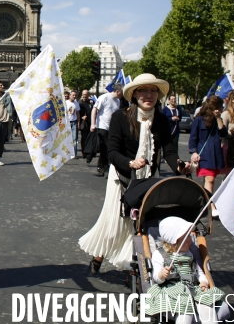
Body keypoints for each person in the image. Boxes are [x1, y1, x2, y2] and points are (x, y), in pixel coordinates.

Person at [79, 73, 191, 273]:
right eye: (143, 90)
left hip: (149, 179)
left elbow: (170, 151)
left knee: (143, 222)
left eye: (153, 91)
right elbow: (112, 152)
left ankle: (140, 264)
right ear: (134, 95)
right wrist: (131, 163)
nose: (148, 95)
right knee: (115, 224)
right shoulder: (120, 117)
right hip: (121, 177)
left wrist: (180, 166)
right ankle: (98, 256)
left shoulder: (162, 120)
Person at [144, 217, 227, 323]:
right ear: (174, 240)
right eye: (186, 237)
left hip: (193, 287)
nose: (191, 240)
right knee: (184, 311)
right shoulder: (159, 254)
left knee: (207, 307)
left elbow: (199, 272)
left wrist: (203, 282)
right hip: (173, 289)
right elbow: (156, 277)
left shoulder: (190, 252)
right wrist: (162, 275)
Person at [189, 96, 227, 215]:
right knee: (209, 179)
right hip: (204, 153)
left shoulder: (218, 119)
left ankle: (204, 200)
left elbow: (224, 133)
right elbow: (193, 137)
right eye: (219, 107)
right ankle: (211, 206)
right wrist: (193, 151)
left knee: (210, 180)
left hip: (216, 154)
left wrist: (218, 118)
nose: (220, 109)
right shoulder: (199, 120)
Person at [90, 83, 123, 177]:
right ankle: (106, 167)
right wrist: (93, 124)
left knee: (106, 148)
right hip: (102, 127)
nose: (123, 95)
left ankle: (102, 167)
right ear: (117, 91)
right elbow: (94, 110)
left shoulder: (118, 101)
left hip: (112, 128)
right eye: (122, 93)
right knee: (108, 147)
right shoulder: (104, 97)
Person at [78, 90, 93, 160]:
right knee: (84, 138)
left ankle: (88, 152)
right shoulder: (80, 103)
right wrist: (81, 117)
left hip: (90, 123)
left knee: (90, 138)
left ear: (88, 95)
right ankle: (84, 151)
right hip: (83, 123)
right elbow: (77, 113)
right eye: (83, 94)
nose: (85, 96)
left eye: (86, 94)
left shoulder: (91, 102)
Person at [66, 90, 81, 158]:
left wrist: (78, 123)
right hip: (67, 122)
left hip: (74, 122)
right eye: (73, 95)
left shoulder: (76, 103)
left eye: (75, 95)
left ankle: (74, 153)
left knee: (74, 138)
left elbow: (78, 114)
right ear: (70, 95)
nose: (74, 96)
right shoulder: (65, 103)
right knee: (66, 138)